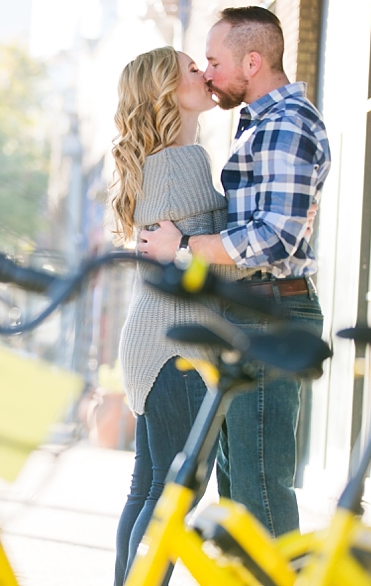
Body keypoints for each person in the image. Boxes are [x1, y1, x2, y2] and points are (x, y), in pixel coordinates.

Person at [137, 6, 331, 538]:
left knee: (257, 483)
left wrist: (184, 247)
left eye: (214, 61)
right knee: (236, 486)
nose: (207, 73)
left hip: (271, 309)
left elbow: (274, 236)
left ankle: (277, 574)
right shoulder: (261, 124)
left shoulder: (287, 124)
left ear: (252, 62)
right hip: (252, 310)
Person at [110, 46, 256, 586]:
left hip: (152, 342)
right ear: (167, 93)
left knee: (148, 488)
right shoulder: (183, 162)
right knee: (174, 495)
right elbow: (221, 258)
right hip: (179, 349)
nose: (205, 74)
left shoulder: (159, 162)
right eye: (192, 69)